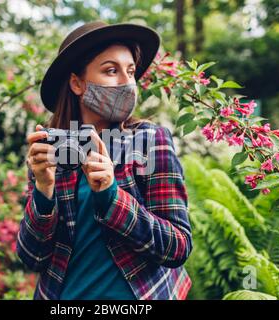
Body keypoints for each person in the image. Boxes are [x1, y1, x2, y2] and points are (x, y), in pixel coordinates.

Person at [16, 20, 193, 300]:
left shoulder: (150, 141)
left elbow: (178, 247)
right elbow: (31, 258)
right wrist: (43, 192)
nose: (126, 82)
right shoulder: (52, 150)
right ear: (77, 83)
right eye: (111, 70)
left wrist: (112, 195)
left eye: (130, 71)